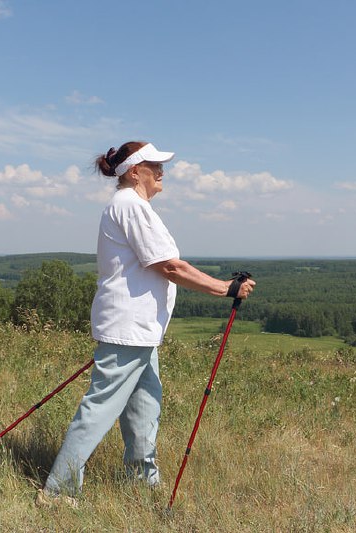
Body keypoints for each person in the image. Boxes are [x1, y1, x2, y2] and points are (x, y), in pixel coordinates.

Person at [39, 141, 255, 504]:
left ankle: (142, 483)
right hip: (128, 330)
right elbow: (169, 266)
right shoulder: (130, 207)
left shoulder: (128, 207)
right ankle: (58, 491)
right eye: (154, 166)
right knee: (100, 408)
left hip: (139, 332)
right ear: (134, 172)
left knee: (145, 408)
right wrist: (226, 288)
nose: (162, 172)